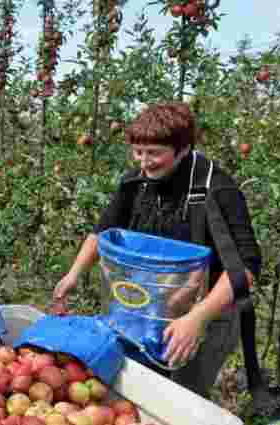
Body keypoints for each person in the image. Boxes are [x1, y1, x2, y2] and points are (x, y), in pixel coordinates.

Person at [52, 102, 262, 398]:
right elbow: (102, 230)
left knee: (179, 398)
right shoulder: (135, 183)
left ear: (183, 148)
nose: (144, 162)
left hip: (208, 312)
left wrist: (196, 318)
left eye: (154, 153)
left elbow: (245, 270)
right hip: (147, 306)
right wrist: (73, 274)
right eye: (138, 152)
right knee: (134, 389)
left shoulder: (216, 190)